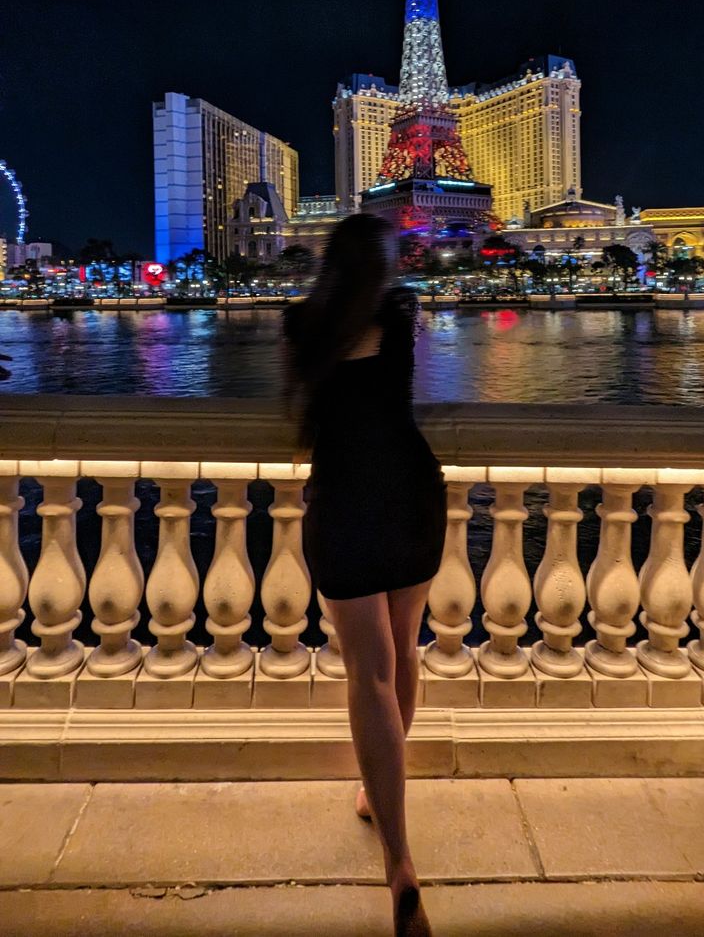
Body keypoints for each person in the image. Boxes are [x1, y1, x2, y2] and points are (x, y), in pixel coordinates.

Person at [282, 212, 446, 937]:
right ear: (381, 265)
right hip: (411, 491)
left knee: (368, 676)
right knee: (402, 651)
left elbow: (311, 410)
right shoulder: (401, 314)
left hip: (345, 498)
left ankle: (400, 863)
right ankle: (376, 796)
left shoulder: (301, 325)